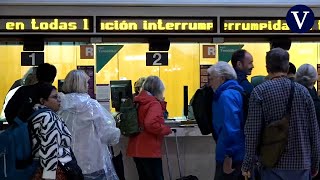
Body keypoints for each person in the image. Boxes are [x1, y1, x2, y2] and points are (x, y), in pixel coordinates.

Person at [242, 48, 320, 180]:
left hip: (272, 163)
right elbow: (314, 131)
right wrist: (315, 163)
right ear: (287, 67)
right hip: (301, 164)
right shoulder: (304, 92)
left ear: (267, 68)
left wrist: (247, 164)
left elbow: (252, 132)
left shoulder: (259, 92)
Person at [58, 70, 121, 180]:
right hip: (93, 162)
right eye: (86, 83)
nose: (88, 85)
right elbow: (107, 134)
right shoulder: (92, 106)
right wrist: (117, 131)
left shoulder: (59, 106)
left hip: (66, 162)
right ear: (82, 84)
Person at [29, 83, 83, 180]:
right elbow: (50, 149)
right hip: (55, 170)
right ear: (42, 101)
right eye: (54, 97)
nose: (59, 100)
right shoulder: (48, 117)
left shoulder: (35, 114)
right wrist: (49, 176)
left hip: (40, 168)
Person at [127, 76, 172, 180]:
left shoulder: (138, 101)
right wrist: (166, 129)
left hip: (136, 146)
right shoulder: (153, 103)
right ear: (158, 89)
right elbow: (150, 123)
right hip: (149, 148)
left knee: (143, 177)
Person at [207, 61, 245, 180]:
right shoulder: (236, 92)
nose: (210, 83)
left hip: (231, 155)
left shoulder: (226, 96)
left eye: (212, 79)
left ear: (222, 78)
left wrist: (228, 156)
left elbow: (231, 128)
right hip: (237, 152)